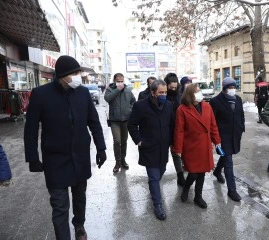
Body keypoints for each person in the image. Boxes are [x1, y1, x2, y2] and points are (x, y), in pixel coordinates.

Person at [24, 55, 107, 240]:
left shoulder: (83, 93)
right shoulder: (40, 94)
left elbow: (94, 122)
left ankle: (79, 225)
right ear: (63, 75)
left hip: (80, 156)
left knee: (79, 198)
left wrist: (101, 148)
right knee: (60, 205)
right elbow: (30, 129)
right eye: (76, 73)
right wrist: (32, 157)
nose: (79, 76)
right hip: (55, 159)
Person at [127, 80, 174, 220]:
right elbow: (132, 125)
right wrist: (139, 141)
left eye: (165, 92)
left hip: (163, 147)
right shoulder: (140, 106)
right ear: (153, 92)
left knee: (161, 171)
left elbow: (172, 125)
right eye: (161, 92)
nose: (164, 95)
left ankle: (154, 190)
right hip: (148, 147)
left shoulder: (169, 105)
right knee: (153, 177)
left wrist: (171, 142)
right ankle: (158, 205)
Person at [173, 83, 221, 209]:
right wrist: (178, 149)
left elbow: (213, 126)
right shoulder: (182, 109)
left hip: (204, 145)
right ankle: (186, 188)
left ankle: (198, 197)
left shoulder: (207, 106)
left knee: (202, 173)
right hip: (191, 146)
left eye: (200, 91)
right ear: (189, 95)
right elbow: (179, 131)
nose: (199, 93)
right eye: (196, 91)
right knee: (194, 173)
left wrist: (217, 141)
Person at [210, 77, 245, 202]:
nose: (233, 90)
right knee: (229, 162)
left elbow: (241, 115)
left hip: (235, 134)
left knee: (225, 156)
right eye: (230, 87)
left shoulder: (238, 99)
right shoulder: (215, 101)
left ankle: (217, 171)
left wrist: (241, 127)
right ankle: (232, 190)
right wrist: (213, 138)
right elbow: (212, 121)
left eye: (234, 87)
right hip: (222, 136)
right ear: (224, 88)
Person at [104, 73, 136, 172]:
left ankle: (123, 160)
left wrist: (130, 110)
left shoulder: (128, 90)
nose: (120, 83)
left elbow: (133, 101)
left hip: (126, 120)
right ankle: (117, 162)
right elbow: (107, 99)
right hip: (114, 120)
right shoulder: (110, 89)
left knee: (124, 141)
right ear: (114, 81)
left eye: (122, 81)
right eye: (118, 81)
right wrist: (117, 89)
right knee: (117, 141)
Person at [164, 73, 185, 186]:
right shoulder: (162, 95)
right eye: (170, 87)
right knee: (162, 155)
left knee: (176, 153)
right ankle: (159, 171)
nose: (173, 89)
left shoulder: (180, 96)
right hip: (164, 129)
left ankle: (180, 175)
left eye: (175, 87)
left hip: (177, 129)